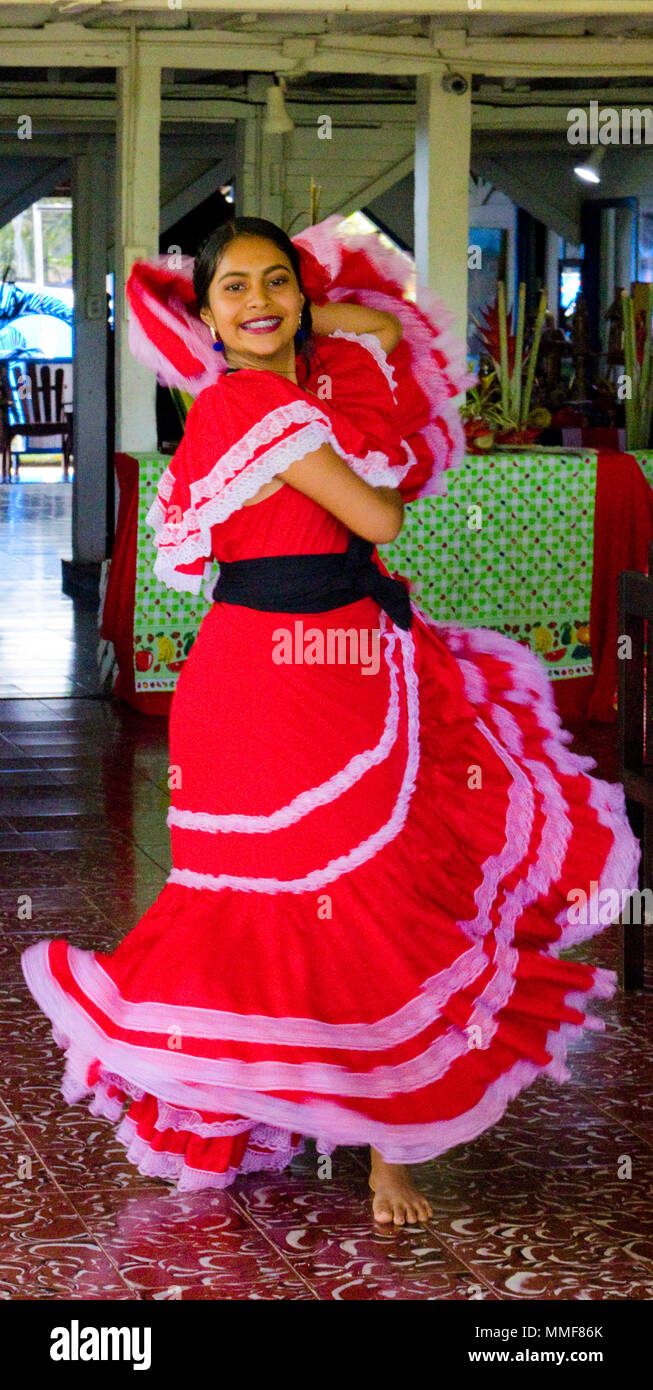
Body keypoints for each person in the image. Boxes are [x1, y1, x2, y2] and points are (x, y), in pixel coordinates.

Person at [22, 217, 640, 1227]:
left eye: (276, 283)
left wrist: (309, 316)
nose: (258, 299)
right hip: (278, 675)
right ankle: (373, 1140)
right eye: (233, 290)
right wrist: (309, 355)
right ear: (206, 316)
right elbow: (381, 520)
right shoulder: (251, 409)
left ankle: (344, 1121)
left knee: (329, 894)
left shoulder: (260, 394)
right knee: (323, 899)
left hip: (312, 661)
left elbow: (380, 338)